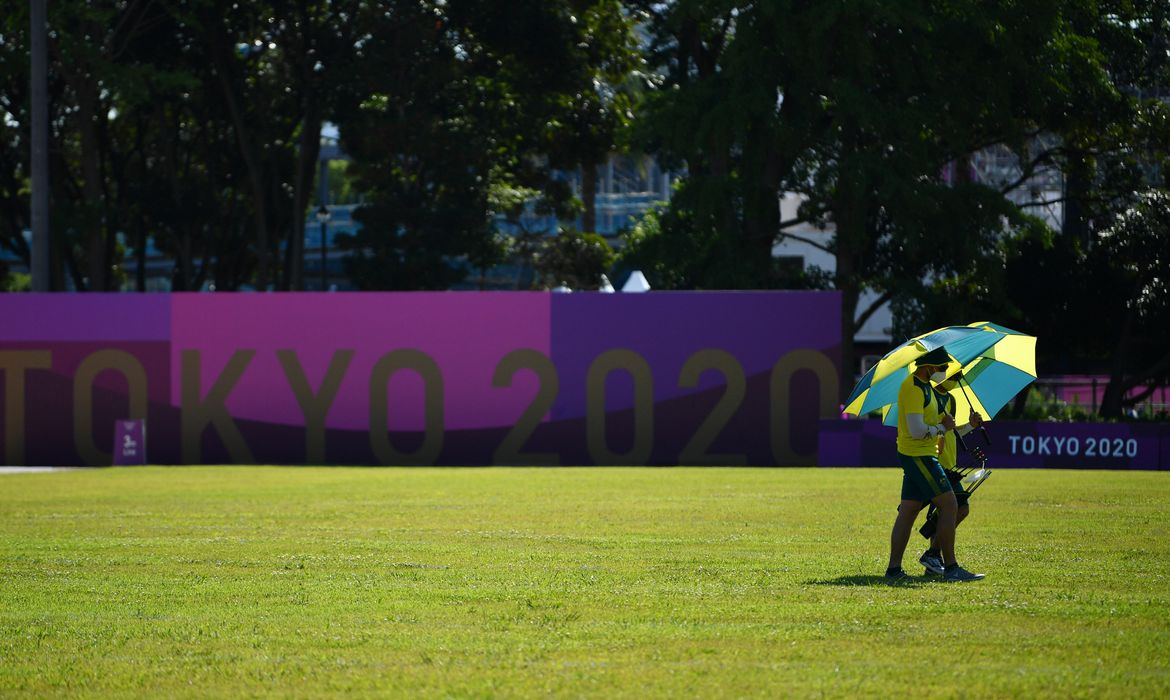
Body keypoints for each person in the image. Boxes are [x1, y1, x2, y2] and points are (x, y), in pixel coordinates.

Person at [884, 346, 984, 582]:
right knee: (950, 505)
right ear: (928, 367)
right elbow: (917, 431)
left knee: (908, 512)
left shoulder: (926, 389)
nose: (945, 371)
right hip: (918, 455)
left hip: (921, 454)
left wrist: (961, 425)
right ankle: (950, 568)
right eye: (942, 368)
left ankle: (893, 571)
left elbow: (938, 427)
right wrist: (942, 428)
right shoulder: (913, 388)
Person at [918, 372, 984, 575]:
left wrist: (971, 426)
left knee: (952, 511)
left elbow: (951, 431)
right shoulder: (927, 397)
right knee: (957, 509)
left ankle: (933, 558)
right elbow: (924, 431)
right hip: (934, 464)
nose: (954, 378)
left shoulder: (950, 399)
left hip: (948, 467)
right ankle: (936, 557)